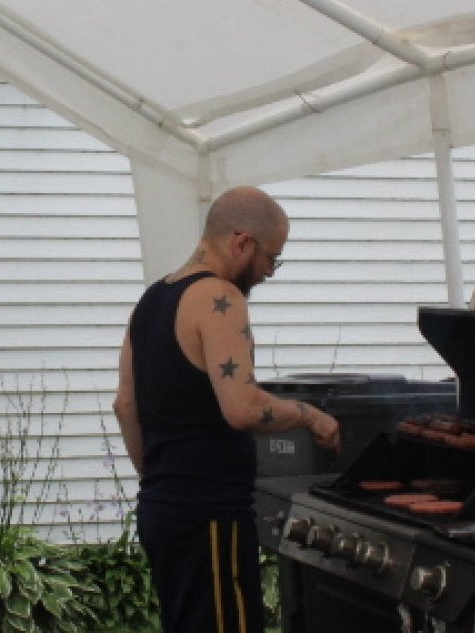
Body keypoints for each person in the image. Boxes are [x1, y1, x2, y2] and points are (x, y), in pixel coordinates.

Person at [113, 186, 342, 633]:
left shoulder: (151, 300)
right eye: (271, 259)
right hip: (209, 515)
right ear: (242, 242)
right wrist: (311, 415)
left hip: (163, 510)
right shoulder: (219, 297)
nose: (269, 273)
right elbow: (242, 407)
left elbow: (125, 405)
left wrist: (158, 480)